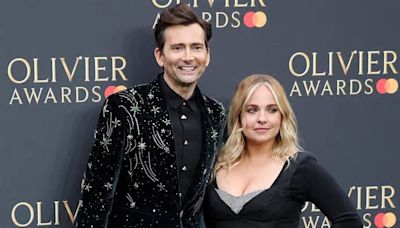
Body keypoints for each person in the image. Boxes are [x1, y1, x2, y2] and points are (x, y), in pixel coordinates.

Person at [76, 4, 226, 228]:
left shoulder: (216, 113)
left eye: (196, 47)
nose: (188, 57)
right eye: (177, 48)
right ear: (160, 55)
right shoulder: (124, 107)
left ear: (207, 54)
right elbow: (97, 194)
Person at [203, 74, 362, 227]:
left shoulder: (298, 168)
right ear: (238, 116)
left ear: (282, 116)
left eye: (272, 110)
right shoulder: (217, 164)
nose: (262, 119)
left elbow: (349, 221)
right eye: (252, 110)